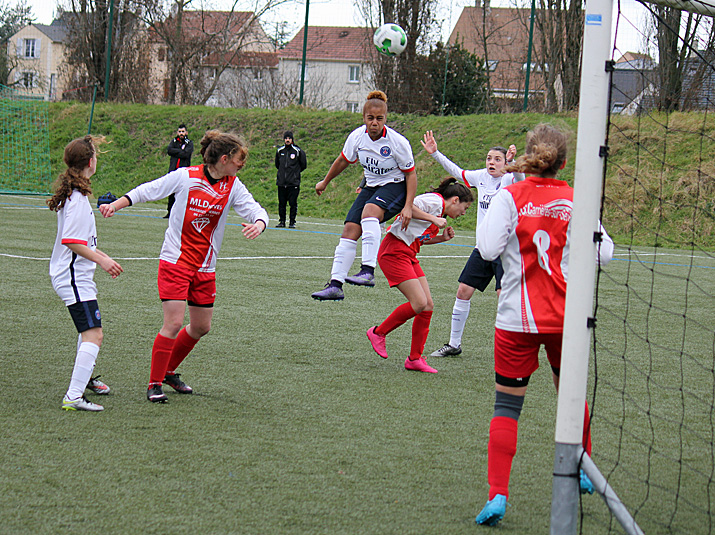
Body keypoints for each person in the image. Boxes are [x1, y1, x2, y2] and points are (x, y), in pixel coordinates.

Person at [473, 124, 614, 526]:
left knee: (506, 406)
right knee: (569, 398)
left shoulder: (508, 196)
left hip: (516, 318)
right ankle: (583, 467)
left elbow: (487, 249)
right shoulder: (576, 199)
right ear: (564, 162)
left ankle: (498, 495)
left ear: (529, 159)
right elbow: (605, 254)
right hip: (565, 319)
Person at [99, 130, 269, 403]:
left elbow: (256, 210)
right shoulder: (186, 176)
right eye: (239, 159)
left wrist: (259, 224)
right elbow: (149, 190)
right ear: (224, 158)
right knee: (174, 322)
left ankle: (168, 372)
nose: (242, 164)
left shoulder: (233, 185)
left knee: (201, 327)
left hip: (205, 267)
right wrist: (116, 204)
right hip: (175, 261)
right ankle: (154, 383)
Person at [420, 131, 523, 358]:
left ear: (505, 162)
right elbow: (456, 172)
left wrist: (513, 163)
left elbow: (521, 179)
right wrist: (435, 153)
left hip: (506, 250)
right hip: (483, 247)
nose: (491, 162)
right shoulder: (481, 178)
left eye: (497, 159)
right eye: (488, 158)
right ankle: (454, 344)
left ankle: (514, 346)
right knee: (463, 291)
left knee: (503, 296)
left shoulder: (510, 178)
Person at [311, 90, 417, 301]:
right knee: (350, 228)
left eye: (379, 119)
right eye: (370, 118)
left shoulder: (398, 142)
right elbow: (343, 160)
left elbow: (411, 174)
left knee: (369, 212)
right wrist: (325, 181)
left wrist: (408, 206)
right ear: (364, 118)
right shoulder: (357, 137)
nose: (375, 123)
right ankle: (335, 285)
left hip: (396, 186)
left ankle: (368, 271)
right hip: (372, 187)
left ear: (386, 118)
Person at [366, 178, 474, 374]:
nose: (463, 213)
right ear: (455, 200)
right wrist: (433, 219)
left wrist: (441, 238)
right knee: (418, 302)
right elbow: (406, 207)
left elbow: (420, 239)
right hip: (394, 252)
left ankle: (415, 358)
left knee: (427, 306)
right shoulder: (435, 202)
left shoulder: (439, 211)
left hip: (408, 254)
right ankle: (378, 333)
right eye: (464, 208)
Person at [48, 135, 124, 412]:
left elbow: (81, 241)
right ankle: (73, 396)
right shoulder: (78, 199)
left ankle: (86, 377)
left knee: (88, 332)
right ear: (90, 162)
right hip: (72, 278)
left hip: (75, 275)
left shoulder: (76, 193)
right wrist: (102, 262)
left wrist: (102, 257)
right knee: (95, 334)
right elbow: (71, 240)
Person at [275, 131, 307, 228]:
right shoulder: (280, 151)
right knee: (282, 203)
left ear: (292, 139)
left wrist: (294, 173)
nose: (287, 140)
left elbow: (303, 165)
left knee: (293, 203)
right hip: (281, 182)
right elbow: (277, 165)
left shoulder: (297, 151)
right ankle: (282, 221)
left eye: (289, 138)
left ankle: (292, 222)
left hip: (293, 182)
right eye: (286, 138)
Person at [165, 124, 194, 218]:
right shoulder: (174, 141)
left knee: (182, 192)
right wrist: (180, 151)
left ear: (186, 132)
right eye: (180, 131)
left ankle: (181, 214)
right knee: (171, 192)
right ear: (177, 132)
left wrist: (176, 152)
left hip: (184, 172)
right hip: (173, 171)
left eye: (183, 131)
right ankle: (169, 212)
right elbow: (169, 150)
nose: (181, 133)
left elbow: (186, 154)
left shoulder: (189, 143)